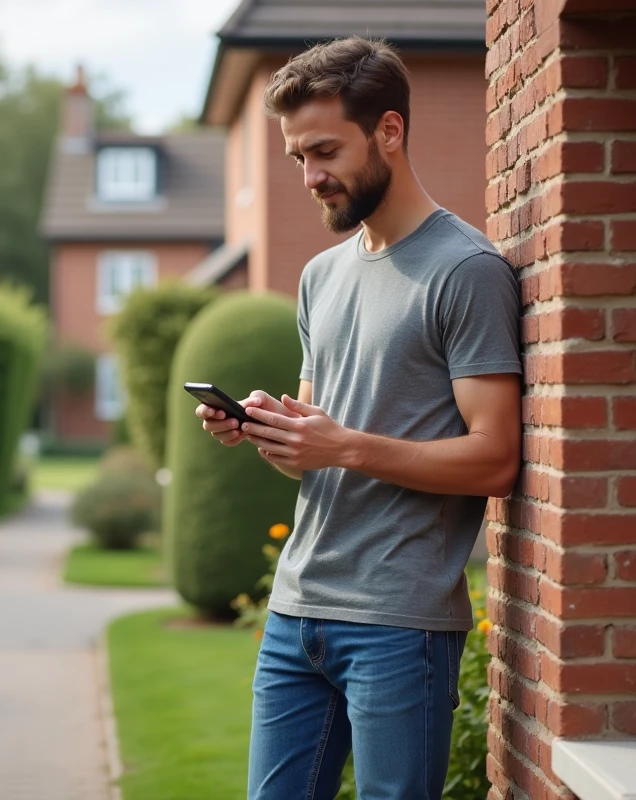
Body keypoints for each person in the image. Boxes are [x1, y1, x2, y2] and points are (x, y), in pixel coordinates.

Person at [194, 36, 523, 800]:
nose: (311, 177)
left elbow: (495, 458)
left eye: (324, 151)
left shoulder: (467, 273)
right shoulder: (320, 276)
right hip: (296, 610)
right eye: (297, 158)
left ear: (390, 131)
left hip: (398, 621)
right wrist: (270, 431)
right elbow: (320, 444)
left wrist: (342, 445)